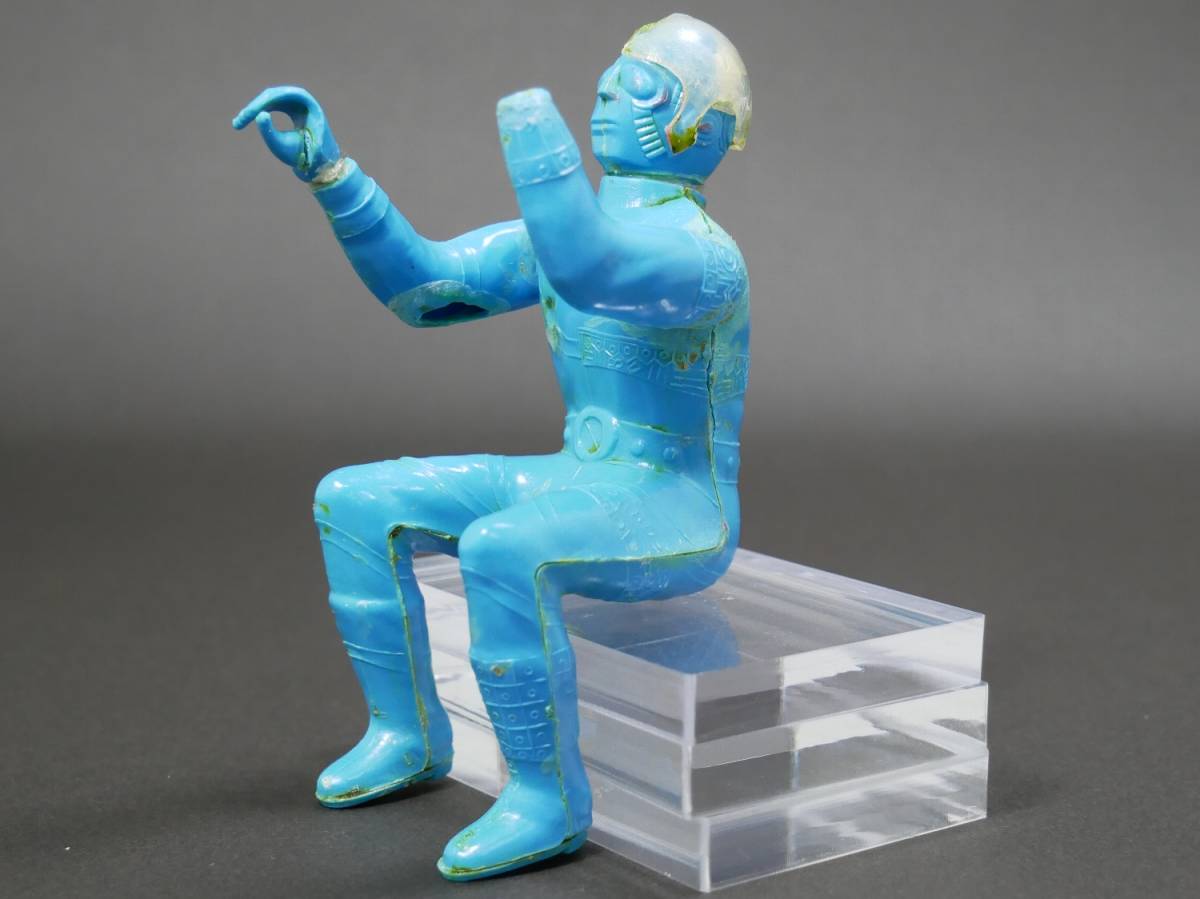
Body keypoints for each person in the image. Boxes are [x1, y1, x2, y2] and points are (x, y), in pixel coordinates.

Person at [233, 13, 751, 881]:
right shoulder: (574, 235)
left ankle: (547, 797)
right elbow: (425, 288)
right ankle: (404, 734)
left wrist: (537, 139)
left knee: (504, 548)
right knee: (356, 500)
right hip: (583, 476)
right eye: (613, 75)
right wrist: (333, 174)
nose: (609, 91)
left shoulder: (703, 259)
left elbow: (595, 268)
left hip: (678, 506)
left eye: (644, 85)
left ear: (698, 124)